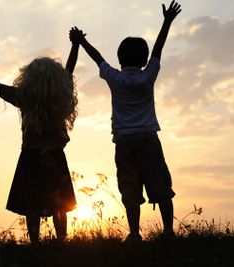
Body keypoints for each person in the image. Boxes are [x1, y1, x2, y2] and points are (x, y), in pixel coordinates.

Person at [0, 28, 83, 243]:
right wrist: (76, 45)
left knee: (32, 204)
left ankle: (35, 244)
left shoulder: (25, 97)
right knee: (60, 203)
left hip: (30, 157)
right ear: (56, 79)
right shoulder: (59, 96)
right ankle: (61, 242)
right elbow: (69, 69)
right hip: (55, 155)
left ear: (30, 78)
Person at [70, 1, 181, 240]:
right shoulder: (148, 76)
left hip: (124, 143)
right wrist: (167, 22)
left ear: (120, 59)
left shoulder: (115, 78)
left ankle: (133, 234)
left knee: (130, 189)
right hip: (148, 140)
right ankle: (169, 231)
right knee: (160, 186)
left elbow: (97, 58)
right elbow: (158, 50)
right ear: (143, 60)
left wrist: (81, 41)